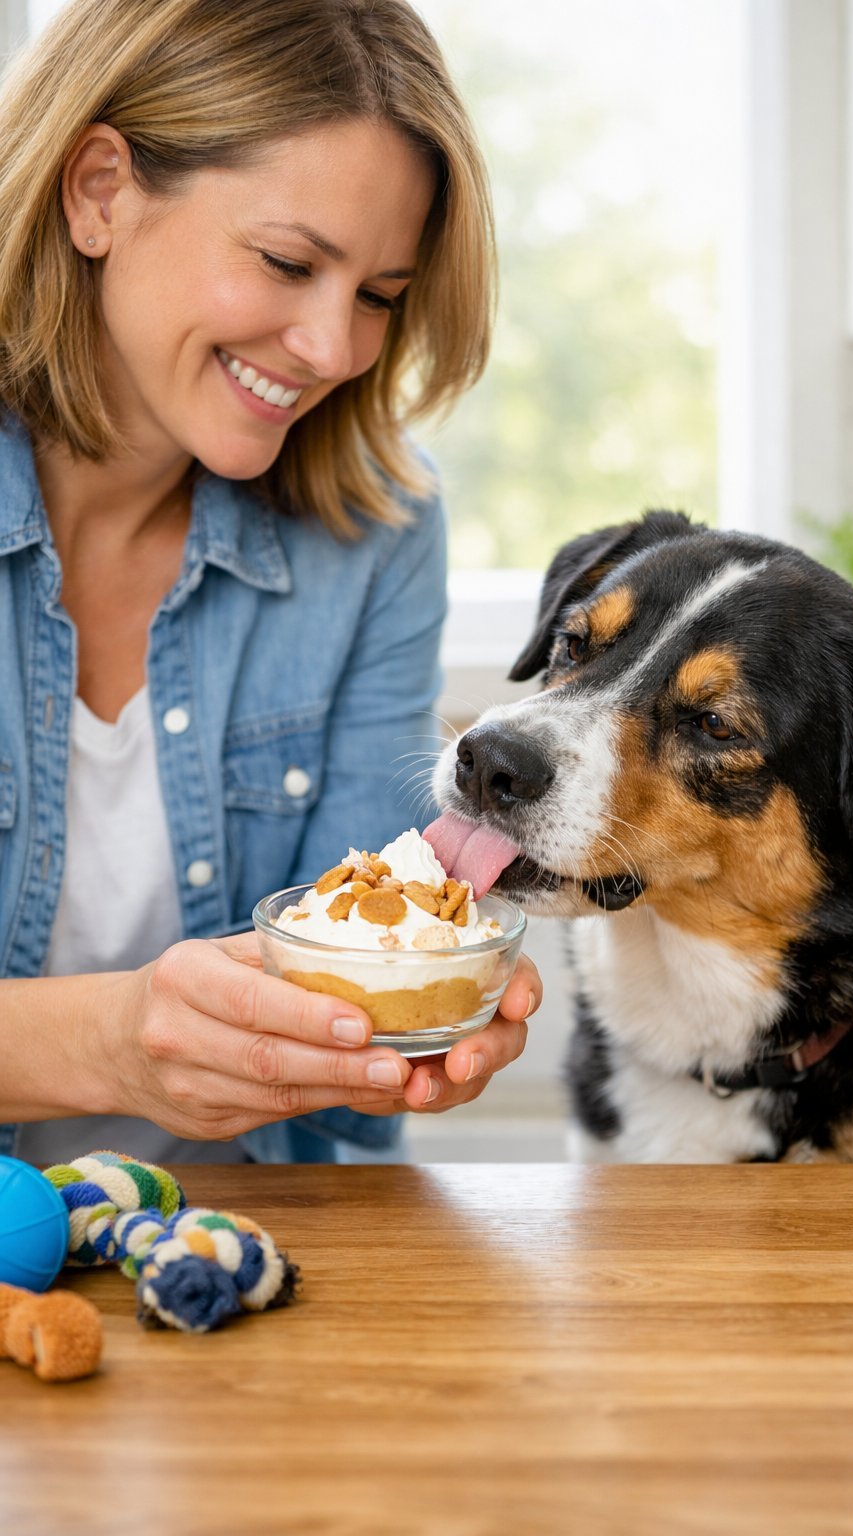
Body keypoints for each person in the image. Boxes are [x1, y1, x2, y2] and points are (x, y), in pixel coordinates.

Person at [0, 0, 540, 1167]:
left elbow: (348, 1090)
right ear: (100, 192)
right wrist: (108, 1042)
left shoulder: (373, 528)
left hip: (239, 1258)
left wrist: (405, 1022)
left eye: (379, 295)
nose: (337, 349)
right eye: (289, 262)